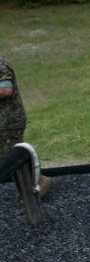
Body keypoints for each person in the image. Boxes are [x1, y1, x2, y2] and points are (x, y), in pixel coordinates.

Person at [0, 55, 51, 197]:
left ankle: (38, 183)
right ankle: (29, 188)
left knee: (11, 156)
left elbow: (5, 90)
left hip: (7, 121)